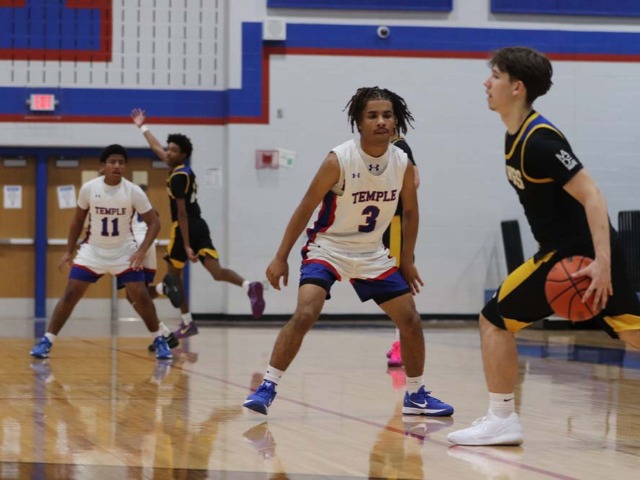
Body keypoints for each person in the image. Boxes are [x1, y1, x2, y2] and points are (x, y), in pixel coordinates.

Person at [447, 46, 640, 446]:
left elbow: (593, 195)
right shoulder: (516, 134)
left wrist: (602, 262)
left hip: (576, 255)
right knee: (634, 333)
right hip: (564, 250)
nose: (487, 83)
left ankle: (502, 418)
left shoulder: (540, 141)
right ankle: (501, 418)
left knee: (494, 320)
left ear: (517, 87)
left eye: (495, 76)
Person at [243, 86, 453, 417]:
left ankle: (415, 395)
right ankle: (267, 386)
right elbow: (305, 207)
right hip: (328, 247)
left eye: (387, 115)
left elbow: (411, 212)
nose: (381, 121)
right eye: (373, 116)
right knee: (306, 312)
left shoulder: (402, 163)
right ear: (358, 122)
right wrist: (281, 256)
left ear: (395, 121)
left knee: (410, 319)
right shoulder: (338, 160)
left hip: (371, 253)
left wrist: (407, 261)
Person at [130, 108, 266, 340]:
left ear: (183, 155)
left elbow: (182, 213)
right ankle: (248, 286)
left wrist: (186, 245)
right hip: (200, 225)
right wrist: (142, 126)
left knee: (174, 278)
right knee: (217, 272)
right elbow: (156, 148)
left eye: (173, 150)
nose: (168, 153)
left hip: (184, 227)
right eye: (168, 149)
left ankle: (186, 322)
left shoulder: (178, 177)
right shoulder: (182, 170)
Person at [29, 144, 173, 360]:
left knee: (141, 296)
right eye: (112, 162)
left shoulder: (133, 191)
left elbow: (155, 223)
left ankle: (159, 339)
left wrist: (142, 250)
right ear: (102, 166)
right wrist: (69, 251)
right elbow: (77, 220)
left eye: (121, 162)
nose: (117, 166)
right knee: (70, 294)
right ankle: (47, 340)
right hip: (93, 252)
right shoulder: (89, 188)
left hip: (124, 252)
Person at [126, 183, 184, 351]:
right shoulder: (145, 204)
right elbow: (156, 216)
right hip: (147, 242)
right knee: (139, 294)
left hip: (135, 245)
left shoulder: (122, 201)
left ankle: (161, 334)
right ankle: (165, 334)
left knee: (133, 295)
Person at [383, 132, 419, 368]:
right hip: (385, 223)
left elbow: (414, 181)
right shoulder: (385, 148)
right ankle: (400, 340)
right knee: (389, 286)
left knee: (398, 285)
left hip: (396, 223)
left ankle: (402, 344)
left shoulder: (399, 146)